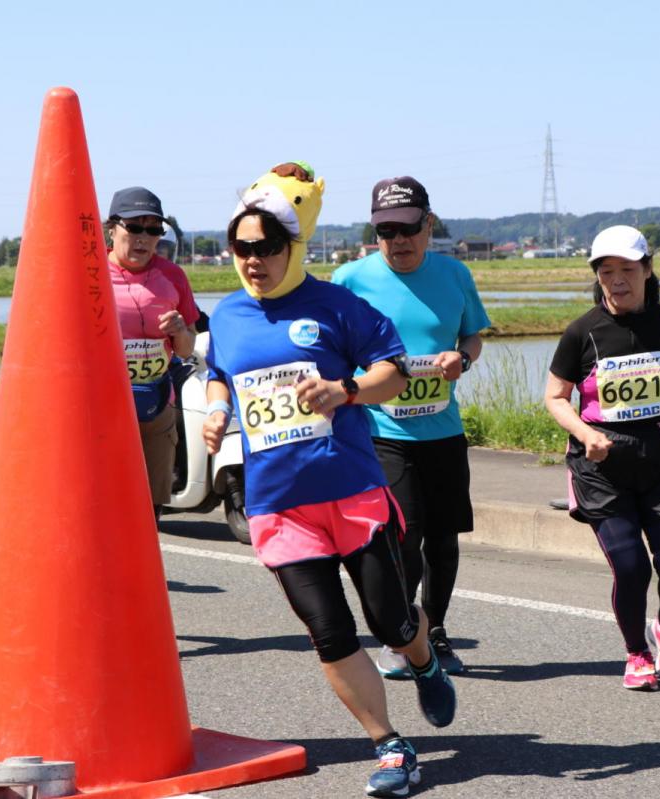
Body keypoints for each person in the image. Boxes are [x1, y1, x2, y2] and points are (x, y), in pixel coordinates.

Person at [203, 163, 456, 798]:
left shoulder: (339, 305)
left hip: (350, 491)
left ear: (293, 248)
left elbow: (393, 374)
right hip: (278, 505)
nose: (253, 260)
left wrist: (342, 390)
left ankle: (421, 660)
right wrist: (215, 409)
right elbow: (217, 370)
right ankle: (391, 745)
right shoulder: (229, 315)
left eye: (266, 247)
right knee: (330, 632)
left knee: (392, 622)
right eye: (242, 248)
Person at [333, 176, 490, 678]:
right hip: (381, 431)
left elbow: (473, 335)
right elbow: (330, 349)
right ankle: (403, 634)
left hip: (442, 430)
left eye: (408, 229)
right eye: (385, 231)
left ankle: (435, 632)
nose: (398, 241)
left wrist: (461, 358)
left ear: (429, 224)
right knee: (405, 538)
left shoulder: (454, 274)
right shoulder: (351, 279)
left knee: (444, 540)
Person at [543, 225, 660, 690]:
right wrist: (584, 432)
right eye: (607, 271)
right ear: (597, 276)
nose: (617, 280)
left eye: (627, 270)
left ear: (648, 270)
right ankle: (636, 654)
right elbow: (555, 397)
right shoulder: (582, 332)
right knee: (631, 566)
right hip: (602, 468)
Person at [104, 187, 199, 517]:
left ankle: (143, 571)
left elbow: (187, 348)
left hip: (157, 401)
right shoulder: (91, 274)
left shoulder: (173, 276)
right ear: (112, 228)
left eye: (154, 229)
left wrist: (179, 330)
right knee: (106, 502)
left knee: (150, 507)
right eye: (135, 227)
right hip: (104, 407)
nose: (144, 238)